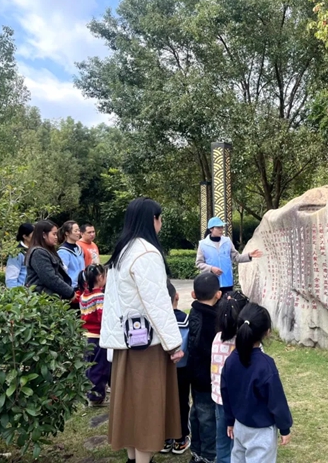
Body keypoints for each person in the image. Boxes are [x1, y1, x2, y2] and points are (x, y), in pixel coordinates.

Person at [99, 197, 184, 463]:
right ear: (153, 220)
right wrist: (174, 343)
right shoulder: (147, 252)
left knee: (130, 410)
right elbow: (158, 303)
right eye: (159, 219)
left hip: (125, 345)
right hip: (147, 346)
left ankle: (133, 460)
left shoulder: (122, 251)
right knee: (147, 409)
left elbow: (112, 303)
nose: (160, 224)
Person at [221, 304, 293, 463]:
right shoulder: (266, 366)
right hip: (261, 432)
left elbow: (225, 391)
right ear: (267, 332)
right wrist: (285, 428)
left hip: (239, 426)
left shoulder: (231, 359)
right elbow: (276, 400)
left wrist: (230, 420)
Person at [187, 272, 222, 463]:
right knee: (208, 417)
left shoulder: (193, 312)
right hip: (209, 377)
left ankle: (196, 451)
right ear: (218, 294)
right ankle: (208, 456)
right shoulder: (216, 320)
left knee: (197, 413)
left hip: (194, 374)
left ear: (193, 294)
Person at [211, 292, 244, 463]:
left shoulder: (217, 339)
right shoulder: (244, 342)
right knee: (239, 439)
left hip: (219, 399)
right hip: (239, 400)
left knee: (223, 438)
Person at [161, 280, 191, 456]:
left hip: (161, 370)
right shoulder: (185, 319)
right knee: (181, 403)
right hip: (182, 369)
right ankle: (180, 439)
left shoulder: (156, 321)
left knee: (162, 402)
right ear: (177, 297)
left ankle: (164, 439)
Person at [196, 217, 263, 293]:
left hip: (227, 281)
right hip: (210, 282)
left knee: (227, 304)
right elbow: (199, 263)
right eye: (218, 227)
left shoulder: (227, 241)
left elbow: (236, 257)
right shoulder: (203, 244)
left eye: (222, 227)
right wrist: (211, 268)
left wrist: (249, 255)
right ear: (211, 229)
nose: (221, 229)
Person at [78, 264, 111, 407]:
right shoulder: (99, 297)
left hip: (86, 336)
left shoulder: (84, 295)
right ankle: (96, 397)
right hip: (97, 338)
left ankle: (88, 393)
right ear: (100, 277)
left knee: (89, 367)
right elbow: (103, 317)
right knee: (99, 368)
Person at [25, 220, 75, 300]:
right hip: (43, 301)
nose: (56, 237)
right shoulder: (38, 253)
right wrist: (70, 293)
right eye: (54, 234)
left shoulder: (48, 250)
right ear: (44, 235)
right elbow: (50, 278)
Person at [57, 220, 86, 291]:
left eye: (78, 230)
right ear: (67, 233)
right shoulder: (63, 252)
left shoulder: (79, 248)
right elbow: (63, 272)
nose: (78, 233)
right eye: (75, 231)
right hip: (71, 288)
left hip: (82, 286)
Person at [5, 223, 34, 288]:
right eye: (33, 234)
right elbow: (11, 279)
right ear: (25, 236)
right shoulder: (17, 253)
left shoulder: (35, 250)